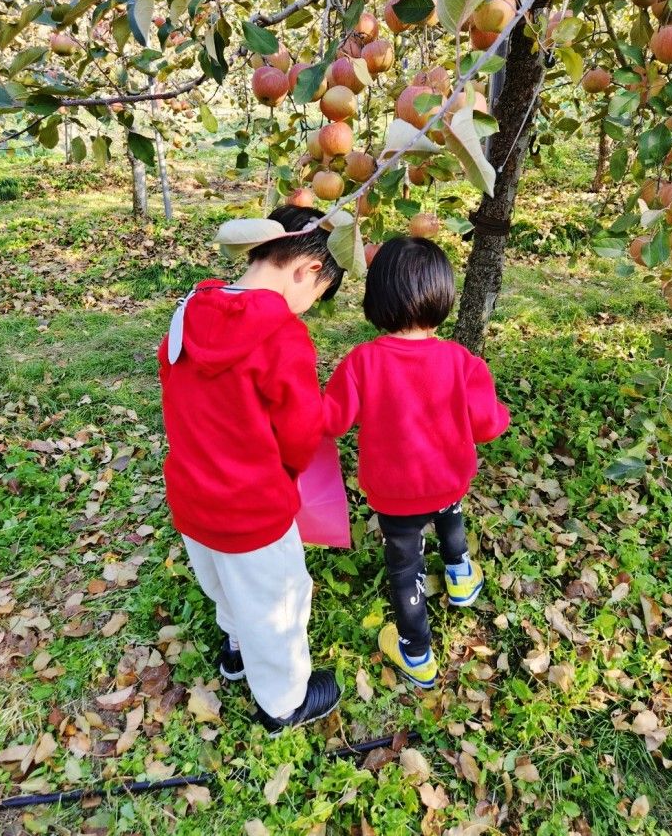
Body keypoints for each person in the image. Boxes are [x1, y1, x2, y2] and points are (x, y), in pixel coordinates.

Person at [158, 205, 344, 733]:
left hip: (193, 496)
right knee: (279, 602)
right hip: (253, 506)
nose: (305, 310)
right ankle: (284, 702)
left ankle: (236, 647)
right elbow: (302, 430)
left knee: (225, 583)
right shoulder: (282, 337)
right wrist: (287, 470)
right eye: (315, 297)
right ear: (307, 270)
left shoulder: (187, 311)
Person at [324, 236, 510, 688]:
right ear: (443, 293)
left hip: (395, 494)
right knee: (449, 511)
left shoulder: (362, 362)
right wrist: (499, 413)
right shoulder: (462, 361)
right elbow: (487, 426)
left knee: (404, 566)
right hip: (448, 479)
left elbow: (330, 420)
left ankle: (417, 653)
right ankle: (462, 576)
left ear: (378, 296)